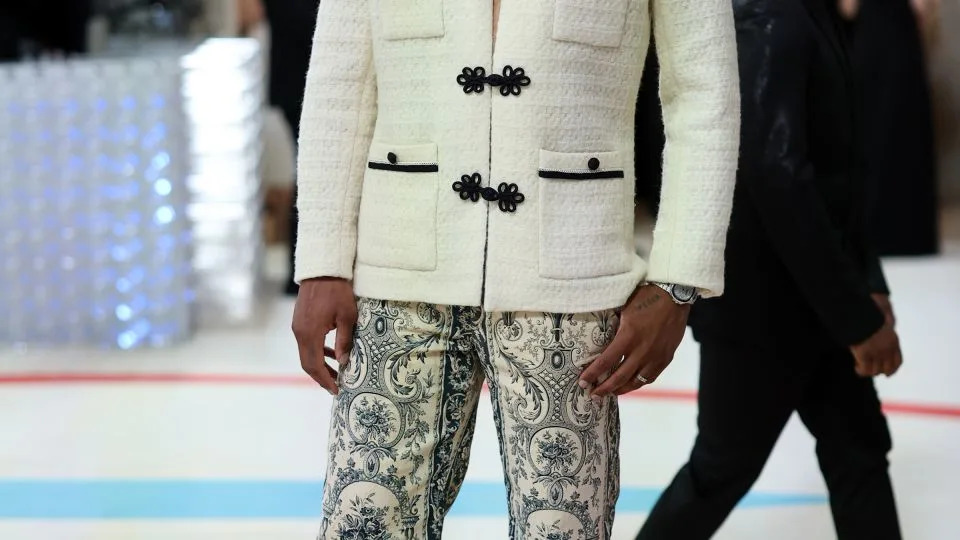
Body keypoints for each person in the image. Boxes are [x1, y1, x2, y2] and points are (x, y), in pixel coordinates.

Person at [291, 1, 740, 538]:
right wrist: (322, 258)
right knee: (364, 527)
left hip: (570, 282)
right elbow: (339, 81)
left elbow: (703, 87)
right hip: (395, 277)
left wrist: (679, 278)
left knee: (561, 531)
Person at [636, 0, 904, 538]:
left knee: (860, 454)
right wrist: (855, 316)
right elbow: (777, 177)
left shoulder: (802, 13)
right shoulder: (766, 19)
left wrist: (866, 284)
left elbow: (837, 175)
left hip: (819, 298)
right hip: (762, 312)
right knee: (721, 469)